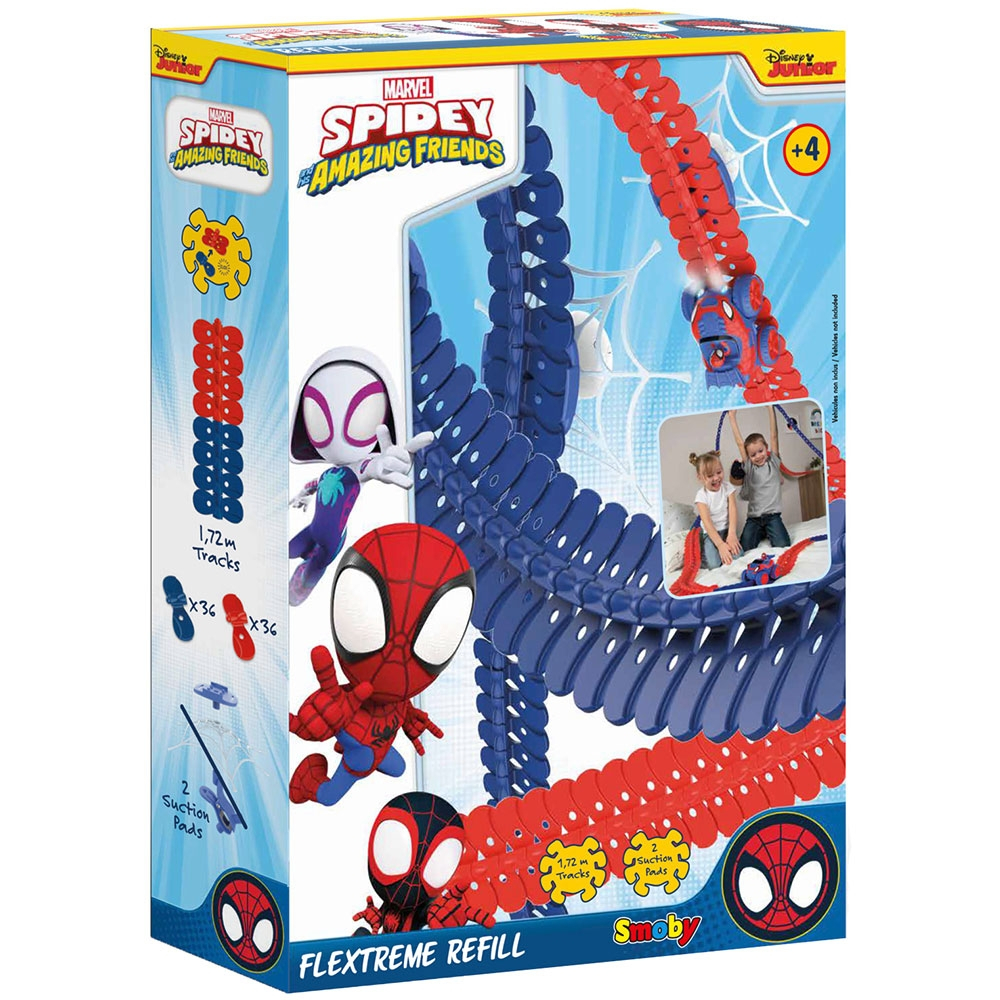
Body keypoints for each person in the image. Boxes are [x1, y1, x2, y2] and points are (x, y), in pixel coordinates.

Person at [729, 407, 791, 550]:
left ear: (766, 448)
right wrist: (732, 417)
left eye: (760, 451)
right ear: (749, 456)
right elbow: (740, 443)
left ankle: (767, 531)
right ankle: (762, 532)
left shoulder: (773, 462)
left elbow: (774, 435)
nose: (758, 456)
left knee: (783, 545)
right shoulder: (750, 468)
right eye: (753, 455)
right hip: (754, 519)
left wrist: (770, 408)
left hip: (772, 517)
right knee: (745, 548)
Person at [690, 451, 742, 568]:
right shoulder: (701, 496)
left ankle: (727, 546)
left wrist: (732, 534)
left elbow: (733, 511)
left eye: (719, 472)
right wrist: (720, 545)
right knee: (714, 564)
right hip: (711, 534)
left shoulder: (728, 488)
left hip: (727, 531)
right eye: (710, 476)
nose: (716, 478)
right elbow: (707, 523)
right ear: (700, 478)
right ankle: (704, 552)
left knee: (738, 557)